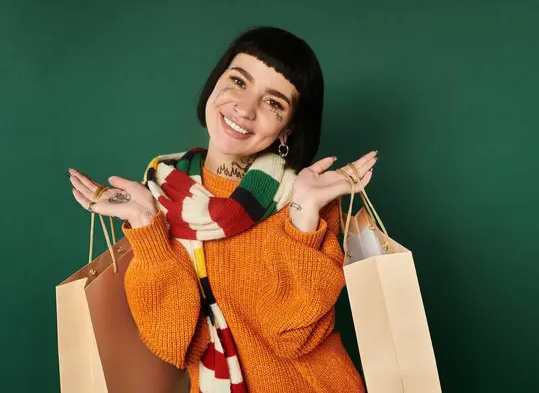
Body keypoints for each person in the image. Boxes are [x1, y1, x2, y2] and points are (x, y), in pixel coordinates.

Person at [68, 26, 377, 393]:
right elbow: (175, 343)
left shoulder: (306, 198)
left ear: (288, 129)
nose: (245, 109)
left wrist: (303, 214)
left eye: (273, 102)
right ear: (216, 84)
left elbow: (292, 337)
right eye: (238, 81)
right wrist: (145, 225)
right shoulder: (165, 193)